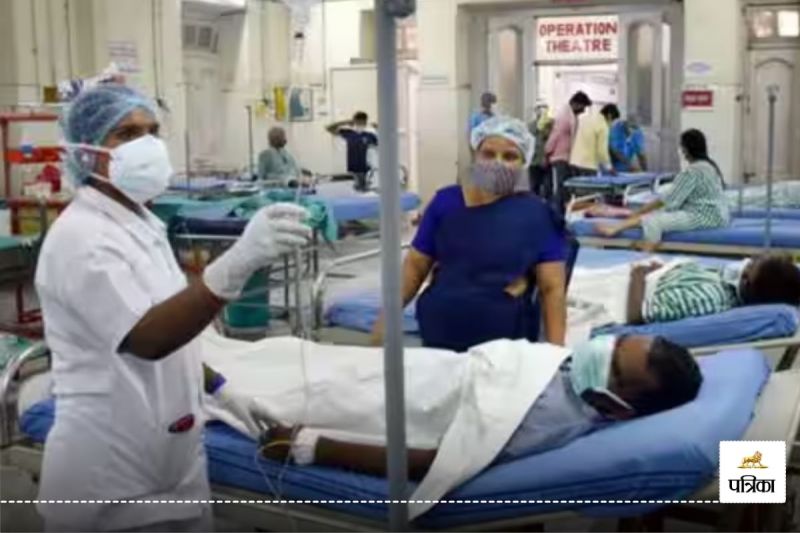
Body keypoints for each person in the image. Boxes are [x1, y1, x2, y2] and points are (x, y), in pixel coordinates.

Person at [34, 84, 311, 532]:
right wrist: (238, 261)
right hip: (108, 474)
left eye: (152, 131)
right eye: (127, 134)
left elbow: (172, 325)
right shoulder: (82, 239)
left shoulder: (143, 224)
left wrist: (220, 389)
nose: (146, 144)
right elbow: (148, 337)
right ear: (86, 152)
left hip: (171, 466)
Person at [260, 335, 703, 480]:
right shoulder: (575, 379)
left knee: (267, 382)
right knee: (287, 352)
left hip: (411, 397)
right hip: (432, 366)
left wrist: (311, 447)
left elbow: (438, 463)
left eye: (614, 368)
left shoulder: (546, 421)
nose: (601, 351)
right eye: (617, 342)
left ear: (620, 409)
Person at [371, 116, 569, 352]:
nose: (497, 163)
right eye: (488, 154)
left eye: (510, 156)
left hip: (504, 342)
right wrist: (385, 320)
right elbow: (415, 266)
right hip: (439, 330)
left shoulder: (536, 214)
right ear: (475, 155)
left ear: (524, 163)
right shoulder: (446, 202)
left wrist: (556, 353)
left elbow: (552, 288)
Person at [595, 129, 729, 252]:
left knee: (654, 220)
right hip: (718, 215)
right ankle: (617, 228)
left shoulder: (692, 171)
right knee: (652, 214)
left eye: (681, 147)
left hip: (704, 217)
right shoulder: (709, 167)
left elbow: (669, 201)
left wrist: (641, 211)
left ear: (685, 149)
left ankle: (647, 247)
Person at [626, 253, 800, 325]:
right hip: (653, 275)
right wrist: (663, 270)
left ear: (748, 283)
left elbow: (637, 316)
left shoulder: (707, 298)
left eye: (752, 265)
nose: (746, 262)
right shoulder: (722, 281)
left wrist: (638, 276)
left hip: (627, 289)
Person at [545, 91, 592, 211]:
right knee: (561, 187)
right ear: (576, 104)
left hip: (567, 157)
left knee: (566, 188)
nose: (583, 110)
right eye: (583, 107)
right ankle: (557, 212)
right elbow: (555, 135)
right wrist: (547, 151)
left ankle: (564, 211)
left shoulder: (571, 116)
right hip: (559, 157)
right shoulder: (564, 117)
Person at [326, 111, 378, 192]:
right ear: (354, 121)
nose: (360, 123)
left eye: (362, 121)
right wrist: (345, 122)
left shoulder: (370, 135)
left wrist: (379, 128)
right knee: (357, 189)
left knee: (365, 189)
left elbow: (383, 144)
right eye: (358, 121)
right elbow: (328, 128)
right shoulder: (348, 133)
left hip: (366, 168)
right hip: (352, 168)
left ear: (365, 122)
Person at [570, 102, 615, 177]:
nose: (611, 124)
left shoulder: (585, 118)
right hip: (588, 165)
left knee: (576, 184)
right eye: (612, 121)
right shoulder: (603, 126)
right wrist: (609, 167)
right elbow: (602, 151)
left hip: (574, 162)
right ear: (609, 116)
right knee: (588, 185)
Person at [528, 100, 554, 197]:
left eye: (544, 107)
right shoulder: (531, 125)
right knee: (534, 186)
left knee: (548, 187)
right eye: (539, 108)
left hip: (547, 160)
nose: (541, 110)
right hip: (534, 161)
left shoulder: (552, 123)